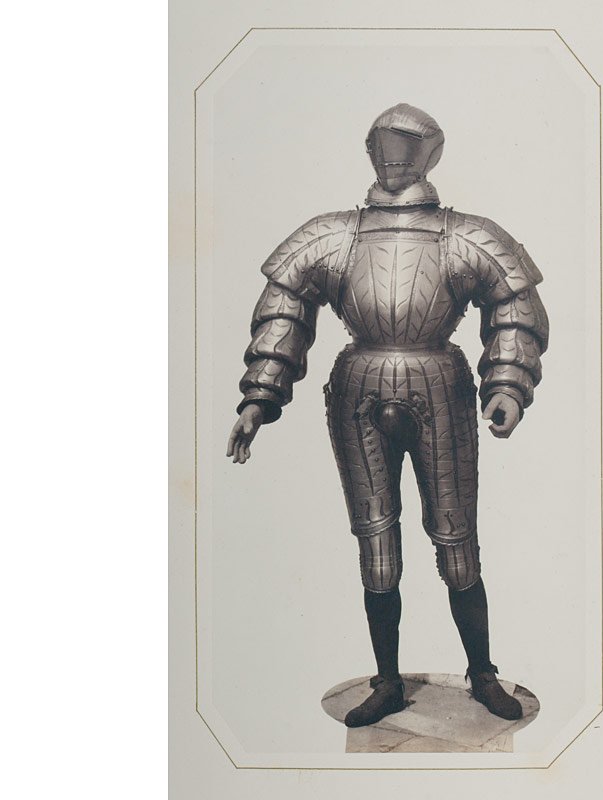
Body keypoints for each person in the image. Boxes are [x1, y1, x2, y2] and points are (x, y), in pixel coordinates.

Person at [227, 103, 549, 728]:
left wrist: (507, 384)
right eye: (383, 146)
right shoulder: (334, 234)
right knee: (375, 541)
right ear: (369, 151)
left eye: (407, 147)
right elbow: (284, 311)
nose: (393, 157)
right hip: (359, 387)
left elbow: (514, 308)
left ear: (431, 155)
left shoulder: (466, 234)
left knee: (456, 538)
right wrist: (257, 399)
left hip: (439, 382)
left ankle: (482, 673)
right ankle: (387, 682)